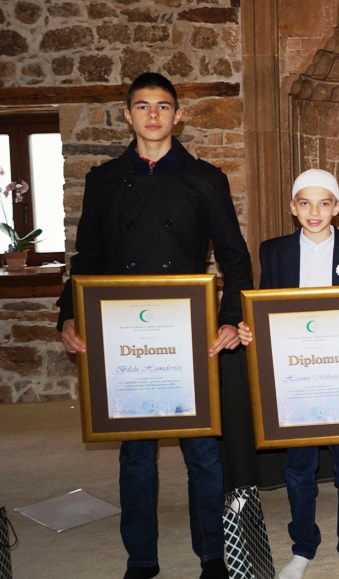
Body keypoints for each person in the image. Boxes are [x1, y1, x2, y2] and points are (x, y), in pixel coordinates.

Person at [57, 72, 253, 579]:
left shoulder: (206, 179)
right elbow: (88, 257)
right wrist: (68, 313)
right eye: (142, 106)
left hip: (188, 332)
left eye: (163, 106)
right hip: (126, 337)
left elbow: (235, 260)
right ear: (128, 115)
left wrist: (230, 319)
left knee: (203, 453)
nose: (152, 115)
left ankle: (213, 556)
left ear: (177, 115)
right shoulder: (103, 180)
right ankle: (141, 560)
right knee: (136, 456)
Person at [236, 169, 339, 579]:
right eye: (305, 203)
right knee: (298, 470)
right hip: (297, 377)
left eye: (324, 203)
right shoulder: (274, 251)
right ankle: (303, 547)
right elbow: (266, 305)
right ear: (293, 207)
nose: (314, 211)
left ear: (337, 208)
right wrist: (251, 329)